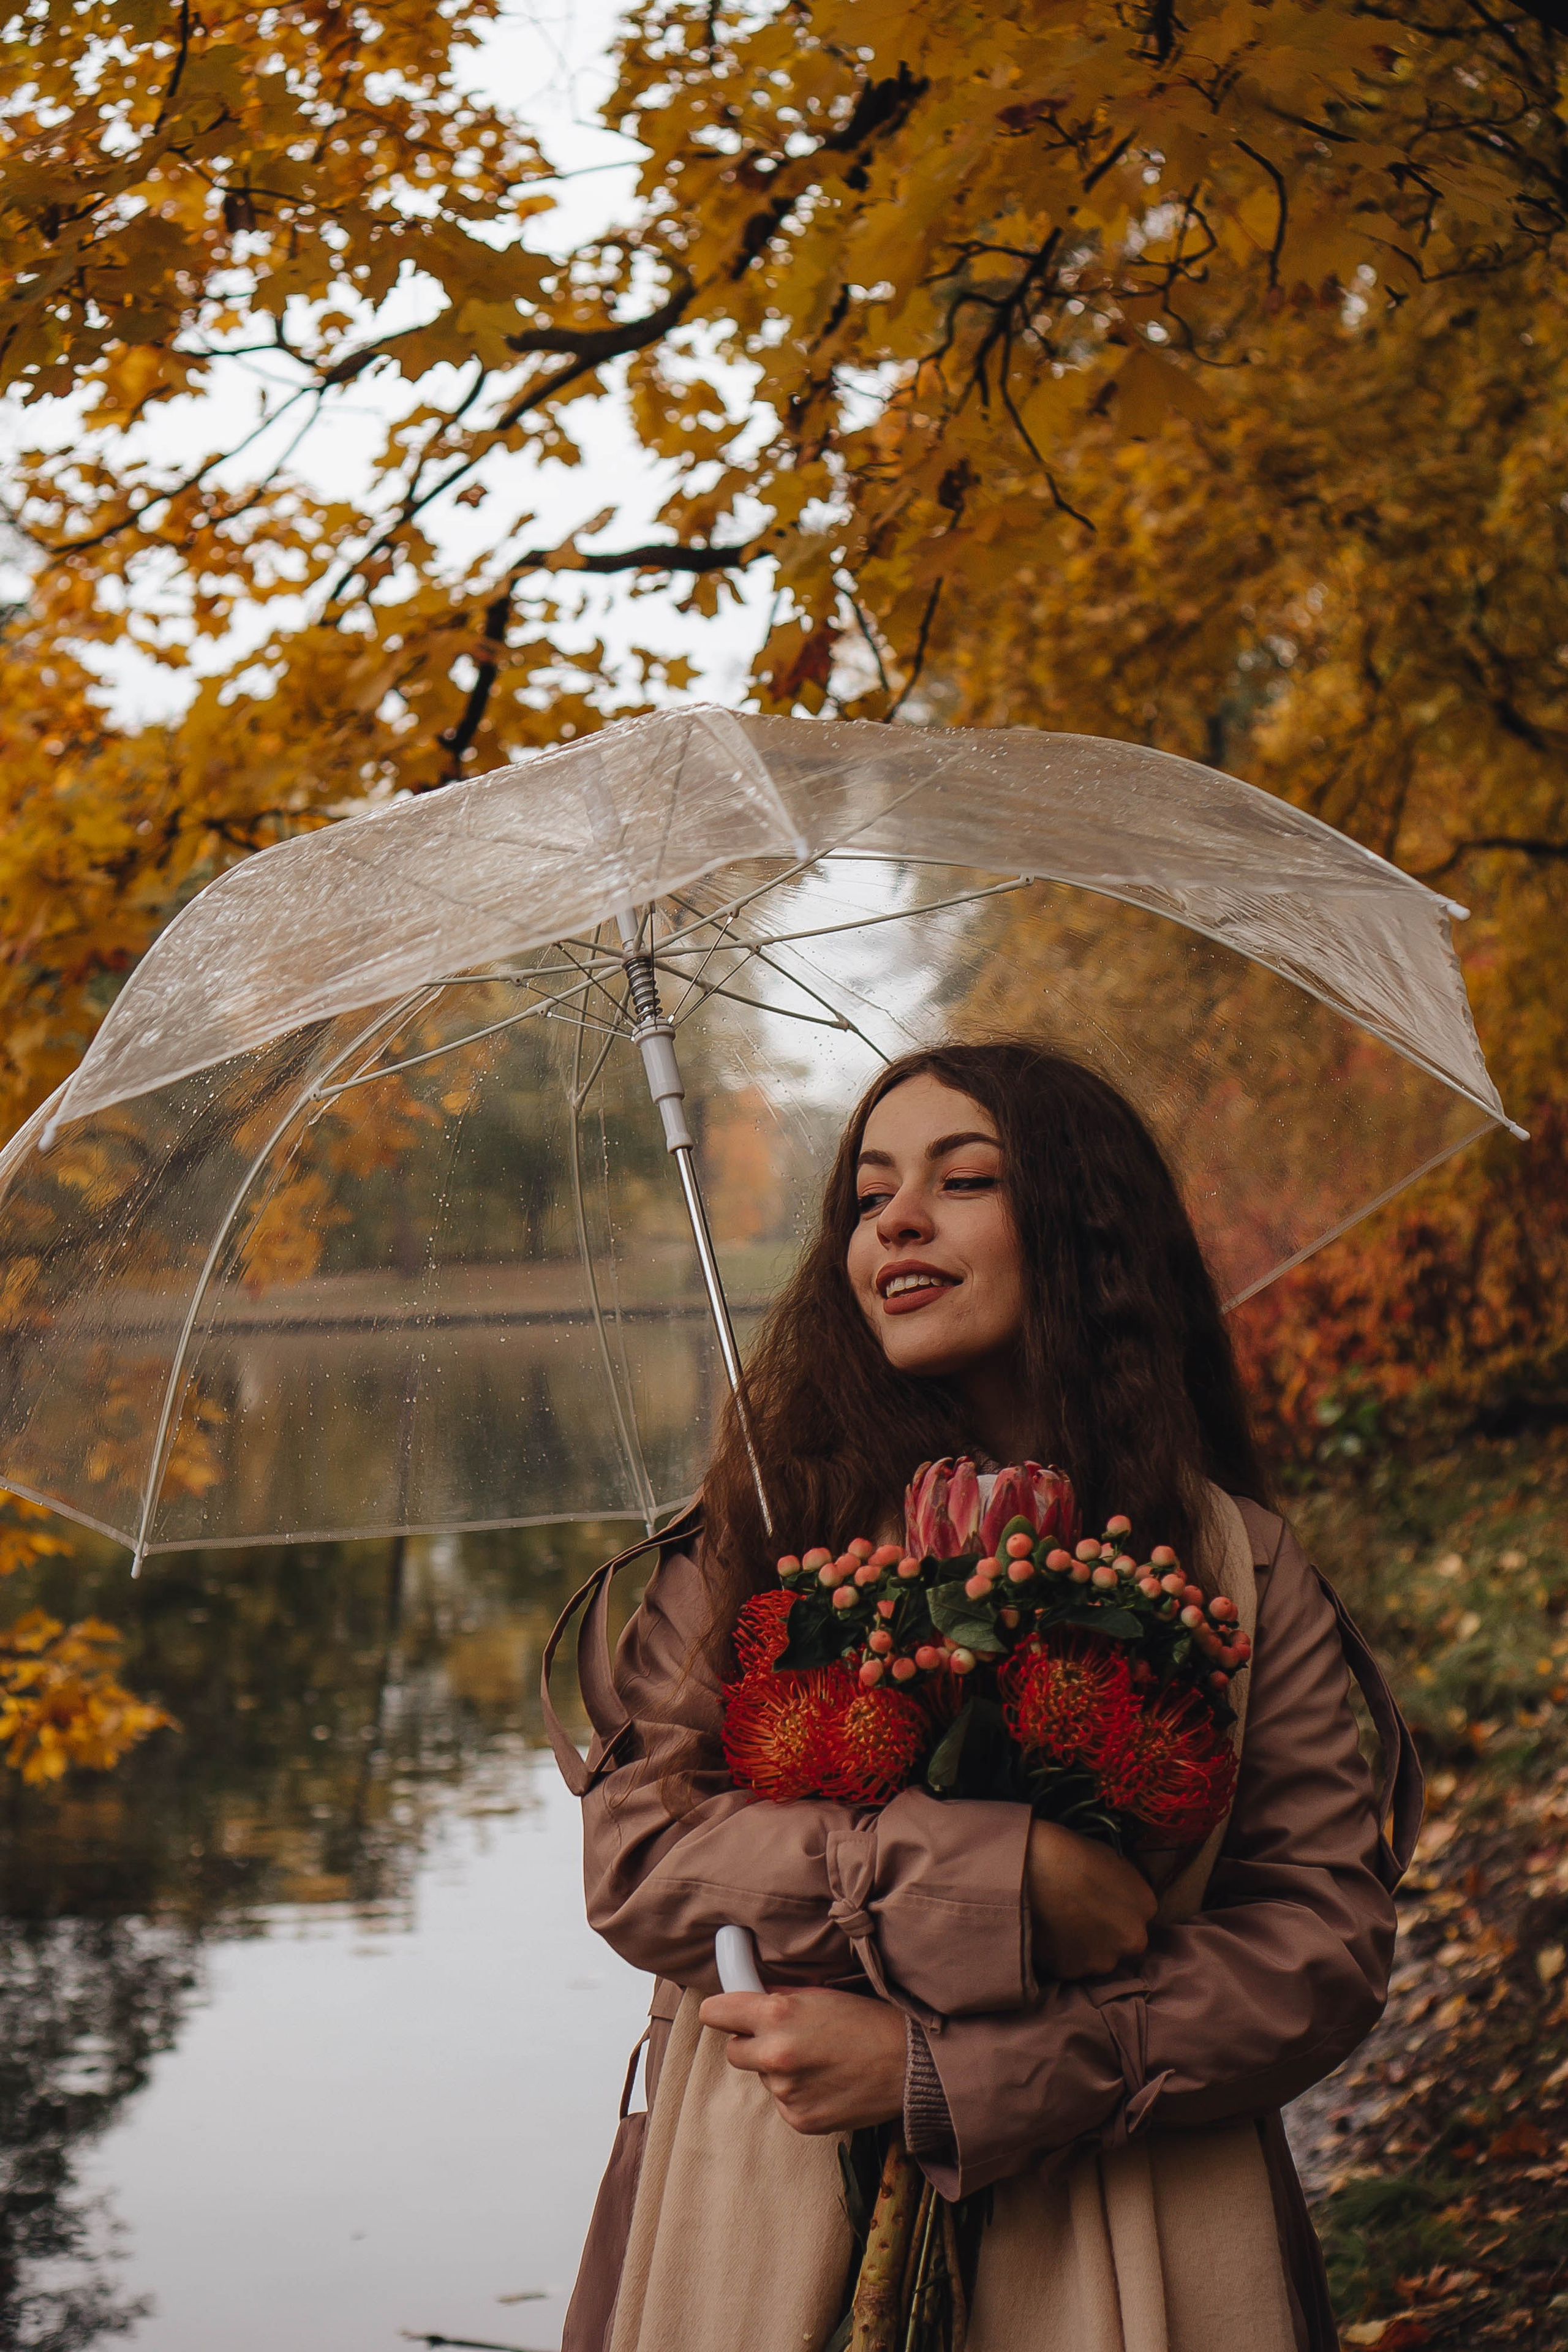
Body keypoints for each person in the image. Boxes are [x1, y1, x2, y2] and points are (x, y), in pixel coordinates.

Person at [543, 1042, 1419, 2352]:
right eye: (866, 1195)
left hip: (1124, 2229)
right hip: (771, 2213)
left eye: (963, 1181)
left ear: (1080, 1232)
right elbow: (639, 1856)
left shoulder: (1229, 1559)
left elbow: (1316, 1947)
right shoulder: (760, 1531)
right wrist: (987, 1878)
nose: (894, 1219)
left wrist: (941, 2077)